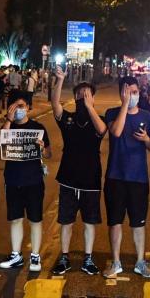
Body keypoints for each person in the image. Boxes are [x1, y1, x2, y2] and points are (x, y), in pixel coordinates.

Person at [50, 67, 106, 275]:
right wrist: (60, 80)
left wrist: (90, 107)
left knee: (90, 221)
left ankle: (88, 258)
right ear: (74, 97)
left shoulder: (97, 119)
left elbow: (102, 131)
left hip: (91, 179)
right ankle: (63, 257)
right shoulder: (68, 119)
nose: (82, 97)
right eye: (79, 94)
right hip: (68, 178)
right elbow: (55, 104)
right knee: (66, 220)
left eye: (87, 94)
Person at [102, 76, 150, 278]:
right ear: (121, 93)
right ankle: (116, 262)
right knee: (115, 221)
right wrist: (125, 105)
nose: (133, 96)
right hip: (115, 176)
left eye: (135, 92)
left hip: (138, 178)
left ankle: (140, 262)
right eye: (128, 92)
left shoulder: (146, 116)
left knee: (138, 223)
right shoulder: (112, 113)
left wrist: (146, 139)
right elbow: (115, 132)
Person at [0, 90, 52, 271]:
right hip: (13, 180)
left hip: (34, 180)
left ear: (29, 107)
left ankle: (35, 256)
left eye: (21, 106)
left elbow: (49, 154)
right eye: (14, 106)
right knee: (15, 219)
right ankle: (16, 255)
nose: (18, 109)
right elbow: (1, 144)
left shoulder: (38, 128)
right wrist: (9, 119)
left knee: (35, 219)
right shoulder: (9, 127)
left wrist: (43, 149)